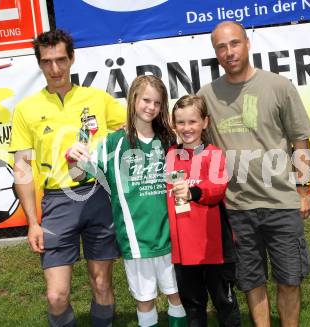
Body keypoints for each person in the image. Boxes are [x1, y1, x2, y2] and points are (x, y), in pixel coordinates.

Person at [197, 21, 310, 327]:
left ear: (247, 43)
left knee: (290, 279)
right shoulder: (207, 95)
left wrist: (303, 189)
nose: (229, 52)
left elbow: (300, 141)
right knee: (252, 281)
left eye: (234, 44)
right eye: (221, 47)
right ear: (215, 53)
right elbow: (188, 129)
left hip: (282, 202)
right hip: (237, 208)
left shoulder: (279, 86)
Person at [10, 29, 126, 327]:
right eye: (47, 62)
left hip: (98, 195)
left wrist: (108, 153)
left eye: (61, 60)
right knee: (56, 296)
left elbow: (131, 128)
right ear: (39, 64)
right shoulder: (26, 109)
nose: (55, 68)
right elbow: (21, 168)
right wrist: (33, 222)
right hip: (58, 203)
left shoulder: (97, 99)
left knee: (101, 284)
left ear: (72, 59)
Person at [68, 75, 187, 327]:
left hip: (171, 236)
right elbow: (78, 174)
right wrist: (73, 158)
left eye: (157, 102)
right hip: (136, 240)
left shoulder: (169, 140)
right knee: (145, 300)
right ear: (133, 99)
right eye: (146, 100)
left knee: (177, 296)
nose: (151, 107)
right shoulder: (113, 143)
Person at [166, 95, 241, 327]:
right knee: (194, 307)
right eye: (181, 122)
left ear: (205, 122)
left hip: (214, 248)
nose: (186, 128)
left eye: (192, 122)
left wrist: (193, 192)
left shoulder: (214, 153)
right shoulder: (170, 155)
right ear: (173, 124)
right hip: (184, 250)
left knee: (224, 303)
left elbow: (217, 188)